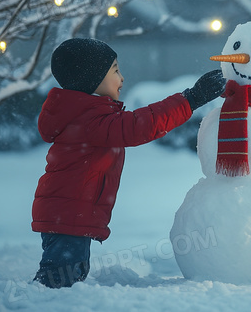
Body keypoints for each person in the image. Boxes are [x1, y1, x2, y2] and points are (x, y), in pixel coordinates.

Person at [31, 37, 225, 288]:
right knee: (58, 281)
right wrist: (190, 99)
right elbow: (138, 126)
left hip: (67, 213)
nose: (122, 78)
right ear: (91, 79)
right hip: (69, 214)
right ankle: (37, 303)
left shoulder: (83, 115)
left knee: (67, 275)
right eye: (115, 71)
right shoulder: (89, 121)